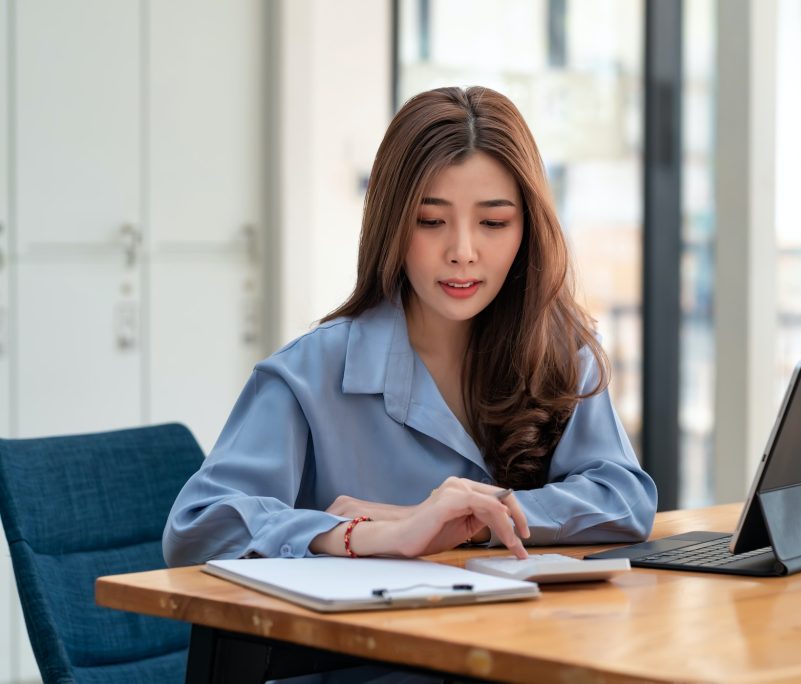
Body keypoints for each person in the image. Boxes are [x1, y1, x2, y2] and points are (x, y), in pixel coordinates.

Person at [163, 86, 657, 571]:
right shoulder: (309, 373)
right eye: (430, 220)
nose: (462, 251)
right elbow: (197, 528)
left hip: (527, 635)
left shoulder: (562, 349)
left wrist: (475, 520)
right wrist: (375, 535)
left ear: (527, 230)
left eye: (493, 223)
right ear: (393, 226)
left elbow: (624, 498)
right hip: (367, 647)